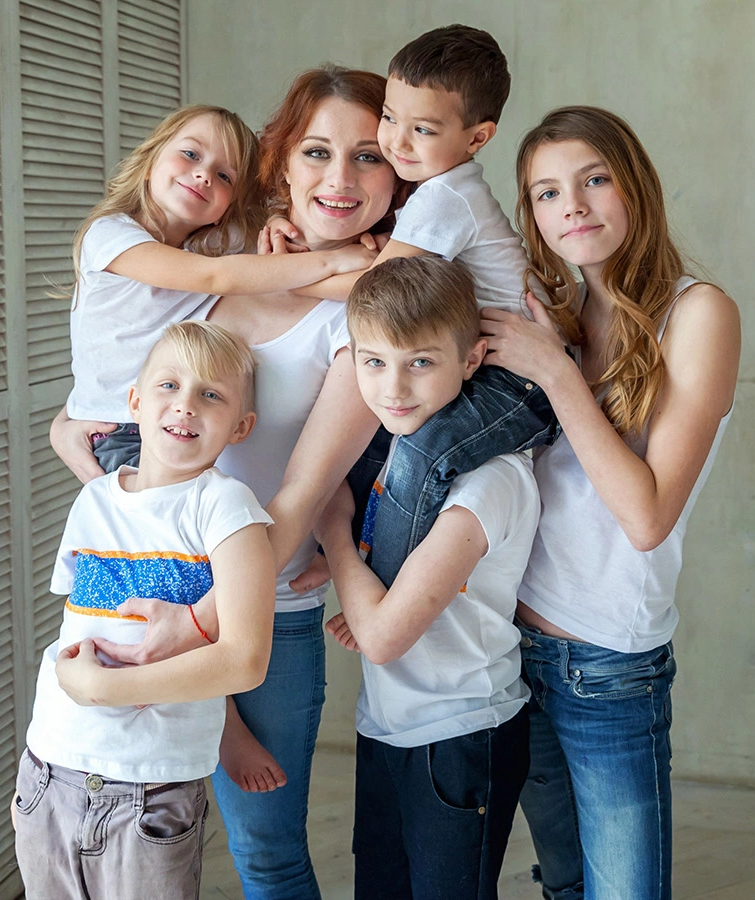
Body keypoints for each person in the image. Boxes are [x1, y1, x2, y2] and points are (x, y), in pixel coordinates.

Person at [50, 66, 400, 900]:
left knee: (264, 852)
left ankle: (230, 720)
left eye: (368, 156)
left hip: (258, 611)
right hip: (152, 576)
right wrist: (73, 430)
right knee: (130, 829)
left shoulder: (368, 320)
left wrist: (198, 623)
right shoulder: (215, 262)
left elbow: (298, 497)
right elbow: (137, 394)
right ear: (283, 166)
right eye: (316, 151)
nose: (339, 177)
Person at [479, 107, 742, 900]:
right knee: (563, 881)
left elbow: (647, 517)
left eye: (594, 179)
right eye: (547, 193)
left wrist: (557, 374)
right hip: (510, 643)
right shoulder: (553, 313)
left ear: (635, 186)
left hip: (608, 665)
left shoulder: (697, 314)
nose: (574, 206)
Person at [270, 24, 575, 589]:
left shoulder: (448, 196)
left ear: (478, 137)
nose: (397, 142)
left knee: (421, 451)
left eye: (423, 129)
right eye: (390, 118)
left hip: (520, 381)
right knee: (376, 440)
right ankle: (347, 546)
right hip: (484, 362)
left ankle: (385, 589)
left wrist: (286, 279)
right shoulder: (435, 195)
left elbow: (374, 285)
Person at [13, 321, 276, 900]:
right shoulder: (92, 499)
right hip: (50, 765)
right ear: (135, 402)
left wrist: (107, 690)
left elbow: (245, 660)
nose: (185, 405)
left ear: (240, 426)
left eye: (211, 394)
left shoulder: (226, 507)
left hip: (150, 787)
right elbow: (78, 624)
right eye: (169, 385)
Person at [316, 256, 538, 900]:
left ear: (471, 360)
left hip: (461, 730)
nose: (393, 387)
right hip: (389, 721)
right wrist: (366, 602)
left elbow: (384, 638)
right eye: (374, 361)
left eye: (420, 361)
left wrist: (333, 529)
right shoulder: (399, 453)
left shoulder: (488, 480)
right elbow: (381, 612)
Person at [63, 104, 375, 471]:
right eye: (190, 154)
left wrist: (276, 221)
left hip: (169, 417)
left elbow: (260, 237)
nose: (203, 175)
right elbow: (215, 276)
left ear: (225, 209)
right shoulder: (110, 234)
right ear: (149, 162)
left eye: (224, 176)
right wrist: (333, 260)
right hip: (121, 429)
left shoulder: (203, 246)